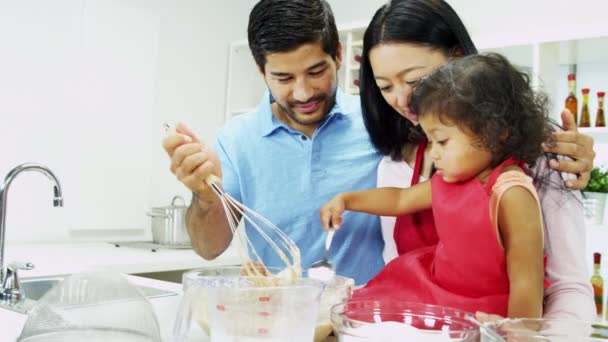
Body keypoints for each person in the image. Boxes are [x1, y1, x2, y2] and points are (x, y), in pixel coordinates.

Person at [162, 0, 595, 290]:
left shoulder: (381, 126)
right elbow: (209, 248)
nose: (302, 92)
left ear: (336, 54)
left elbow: (477, 126)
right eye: (283, 78)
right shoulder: (236, 140)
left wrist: (569, 155)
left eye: (316, 70)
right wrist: (203, 196)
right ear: (261, 72)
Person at [358, 0, 594, 319]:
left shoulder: (540, 153)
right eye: (385, 86)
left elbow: (569, 288)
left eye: (415, 80)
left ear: (457, 58)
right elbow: (396, 267)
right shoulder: (394, 166)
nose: (401, 100)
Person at [321, 52, 552, 318]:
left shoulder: (511, 192)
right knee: (360, 311)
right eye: (429, 141)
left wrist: (517, 331)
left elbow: (527, 279)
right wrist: (347, 200)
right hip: (438, 292)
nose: (435, 152)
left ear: (497, 131)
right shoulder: (450, 179)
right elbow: (400, 200)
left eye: (442, 141)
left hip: (484, 310)